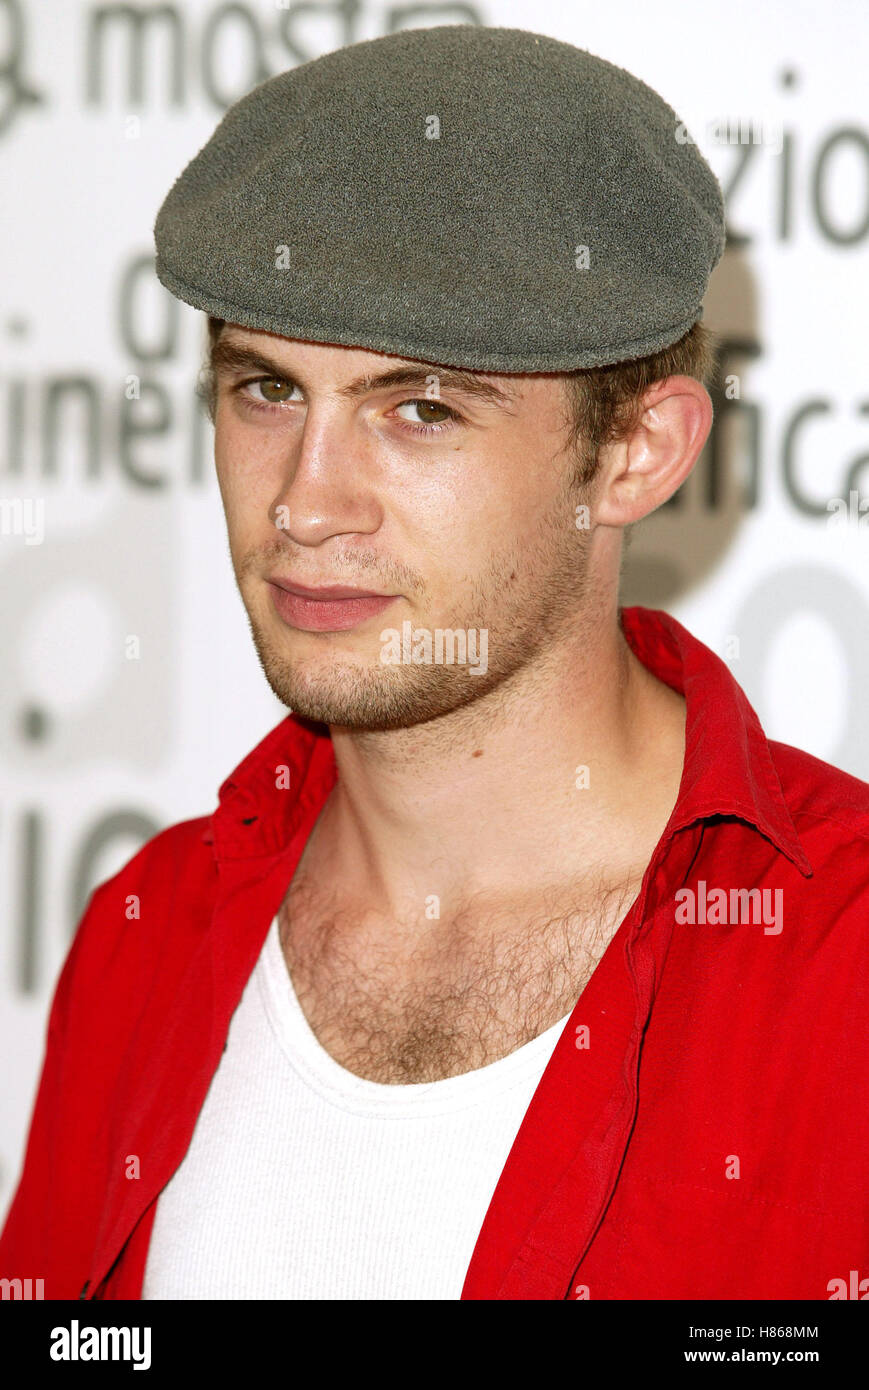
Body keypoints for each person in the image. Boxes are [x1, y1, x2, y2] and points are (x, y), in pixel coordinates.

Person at [2, 25, 867, 1302]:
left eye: (419, 410)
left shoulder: (832, 969)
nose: (305, 505)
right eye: (265, 391)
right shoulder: (151, 925)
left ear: (634, 455)